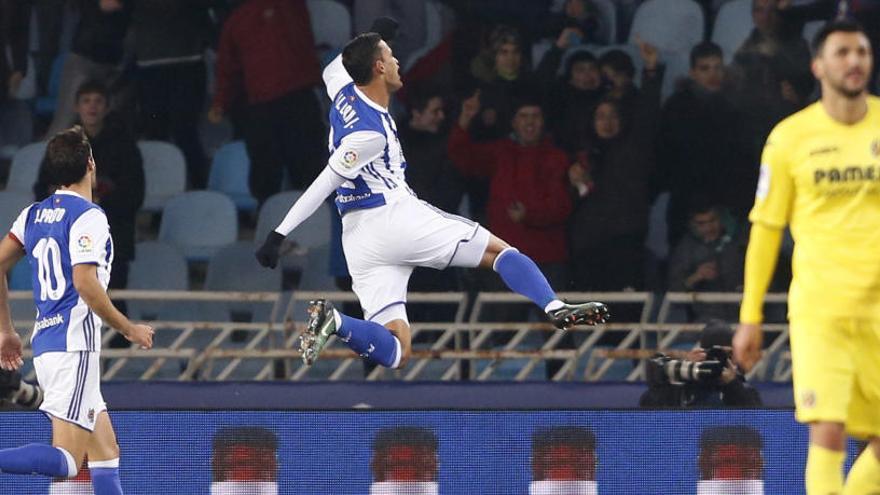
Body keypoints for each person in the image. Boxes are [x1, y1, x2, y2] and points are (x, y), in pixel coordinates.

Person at [255, 19, 609, 370]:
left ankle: (338, 322)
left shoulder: (341, 89)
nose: (397, 62)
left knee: (395, 351)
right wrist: (279, 234)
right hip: (394, 217)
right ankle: (553, 307)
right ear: (378, 67)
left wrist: (375, 35)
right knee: (499, 252)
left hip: (359, 239)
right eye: (391, 56)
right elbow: (324, 182)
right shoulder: (369, 134)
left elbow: (336, 67)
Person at [733, 20, 880, 494]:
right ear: (819, 65)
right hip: (822, 307)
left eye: (861, 52)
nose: (854, 61)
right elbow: (766, 229)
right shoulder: (789, 139)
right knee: (829, 426)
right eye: (841, 52)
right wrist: (750, 316)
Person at [0, 127, 154, 494]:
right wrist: (128, 328)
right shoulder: (90, 217)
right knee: (68, 461)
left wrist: (5, 330)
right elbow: (85, 283)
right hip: (74, 346)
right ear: (91, 164)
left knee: (105, 452)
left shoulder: (32, 215)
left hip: (50, 344)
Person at [35, 80, 145, 304]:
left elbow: (134, 192)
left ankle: (117, 340)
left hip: (112, 235)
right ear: (76, 107)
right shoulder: (61, 146)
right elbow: (42, 188)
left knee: (113, 302)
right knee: (70, 305)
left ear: (107, 107)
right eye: (86, 101)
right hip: (67, 235)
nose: (92, 107)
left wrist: (99, 201)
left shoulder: (124, 145)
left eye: (98, 101)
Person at [208, 0, 327, 203]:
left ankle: (297, 223)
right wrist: (220, 102)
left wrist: (221, 102)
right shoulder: (244, 18)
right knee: (282, 174)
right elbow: (227, 68)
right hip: (280, 102)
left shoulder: (245, 17)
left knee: (300, 172)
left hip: (277, 102)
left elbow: (227, 70)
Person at [640, 320, 761, 408]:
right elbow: (649, 404)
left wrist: (732, 384)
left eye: (725, 355)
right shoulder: (686, 385)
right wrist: (685, 371)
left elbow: (756, 418)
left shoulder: (743, 389)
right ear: (701, 353)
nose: (717, 360)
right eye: (711, 354)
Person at [667, 204, 745, 322]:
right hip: (704, 320)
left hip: (743, 317)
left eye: (712, 220)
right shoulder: (686, 249)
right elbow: (673, 291)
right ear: (692, 224)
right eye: (701, 224)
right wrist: (696, 277)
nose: (709, 228)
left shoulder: (738, 243)